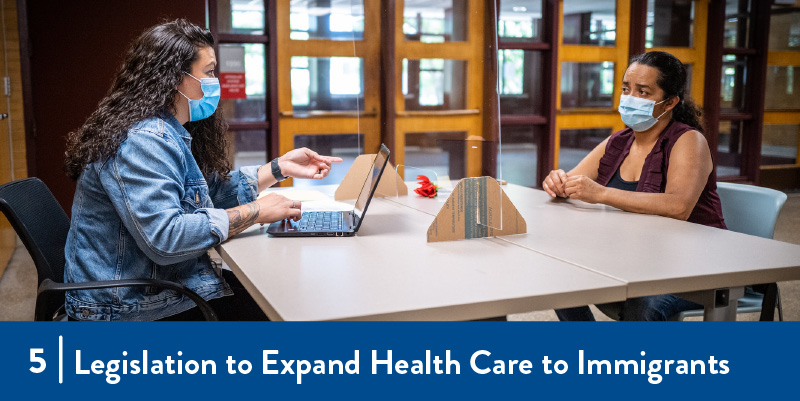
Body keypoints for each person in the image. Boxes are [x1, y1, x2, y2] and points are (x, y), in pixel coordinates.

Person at [62, 19, 342, 321]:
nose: (214, 81)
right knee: (281, 306)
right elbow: (166, 239)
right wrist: (257, 212)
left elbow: (204, 194)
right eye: (208, 72)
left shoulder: (166, 130)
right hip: (127, 308)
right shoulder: (145, 139)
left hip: (151, 288)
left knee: (278, 293)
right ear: (174, 78)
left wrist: (277, 169)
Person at [542, 51, 726, 321]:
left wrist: (602, 194)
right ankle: (595, 357)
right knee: (559, 274)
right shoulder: (619, 141)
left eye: (643, 92)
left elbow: (679, 206)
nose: (630, 99)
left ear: (670, 102)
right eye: (626, 89)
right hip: (638, 257)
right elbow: (573, 184)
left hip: (693, 263)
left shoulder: (688, 140)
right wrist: (557, 182)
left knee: (645, 304)